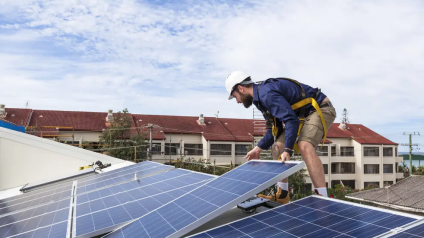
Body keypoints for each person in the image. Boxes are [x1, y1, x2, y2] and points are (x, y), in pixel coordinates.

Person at [225, 71, 336, 204]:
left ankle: (323, 199)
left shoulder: (266, 94)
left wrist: (288, 150)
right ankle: (283, 194)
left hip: (320, 108)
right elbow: (275, 129)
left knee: (304, 145)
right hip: (300, 115)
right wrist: (258, 149)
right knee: (277, 147)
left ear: (241, 88)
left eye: (235, 96)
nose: (237, 101)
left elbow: (291, 120)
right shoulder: (260, 98)